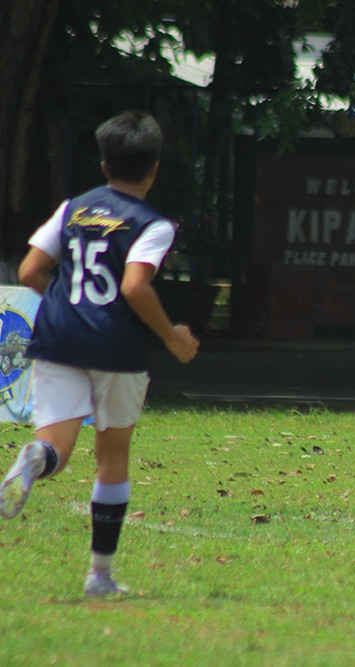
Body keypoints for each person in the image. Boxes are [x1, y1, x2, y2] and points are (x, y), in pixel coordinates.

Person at [0, 111, 200, 597]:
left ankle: (37, 457)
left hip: (58, 338)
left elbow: (29, 271)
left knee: (57, 447)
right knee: (111, 456)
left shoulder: (72, 209)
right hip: (116, 347)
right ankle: (100, 576)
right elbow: (134, 286)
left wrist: (68, 303)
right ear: (154, 169)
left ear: (105, 163)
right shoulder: (153, 224)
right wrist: (172, 336)